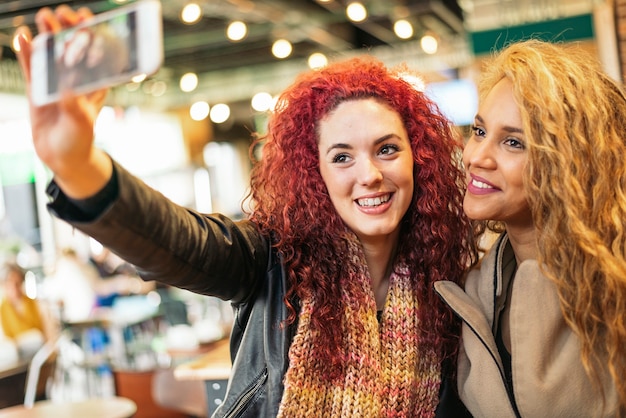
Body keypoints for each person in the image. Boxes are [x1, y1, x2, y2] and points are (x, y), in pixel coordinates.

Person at [15, 5, 477, 417]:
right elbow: (176, 241)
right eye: (341, 157)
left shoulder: (450, 288)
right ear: (314, 172)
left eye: (387, 149)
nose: (370, 174)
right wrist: (77, 165)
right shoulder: (271, 260)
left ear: (419, 157)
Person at [435, 39, 626, 417]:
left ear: (570, 163)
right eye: (478, 131)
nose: (476, 157)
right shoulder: (472, 291)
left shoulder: (614, 285)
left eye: (513, 142)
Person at [0, 262, 52, 352]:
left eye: (17, 283)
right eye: (9, 284)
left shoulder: (38, 305)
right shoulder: (2, 310)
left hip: (40, 354)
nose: (14, 289)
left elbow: (50, 339)